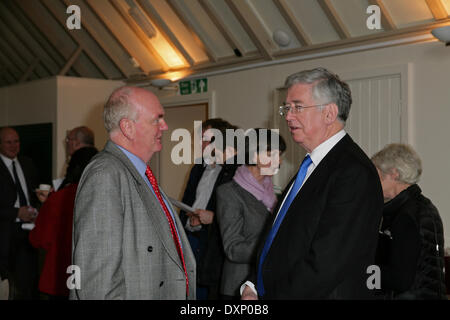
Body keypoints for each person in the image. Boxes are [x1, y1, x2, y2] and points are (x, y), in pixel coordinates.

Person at [241, 67, 384, 299]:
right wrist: (253, 284)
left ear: (329, 113)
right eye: (287, 108)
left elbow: (326, 263)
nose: (288, 115)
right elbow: (279, 238)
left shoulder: (352, 172)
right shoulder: (311, 166)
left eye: (297, 107)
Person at [70, 86, 196, 300]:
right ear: (128, 128)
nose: (164, 126)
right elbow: (98, 285)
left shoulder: (135, 172)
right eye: (157, 119)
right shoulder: (105, 175)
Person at [217, 128, 286, 299]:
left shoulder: (276, 192)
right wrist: (273, 247)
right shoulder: (229, 192)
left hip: (269, 283)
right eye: (271, 155)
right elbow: (233, 248)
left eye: (280, 155)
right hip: (238, 287)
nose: (278, 162)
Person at [372, 143, 447, 299]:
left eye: (376, 175)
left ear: (394, 174)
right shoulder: (425, 207)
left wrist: (360, 270)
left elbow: (400, 279)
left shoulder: (405, 216)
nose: (372, 181)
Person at [179, 119, 240, 299]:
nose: (201, 143)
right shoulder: (198, 167)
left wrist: (213, 218)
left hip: (215, 246)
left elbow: (239, 213)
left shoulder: (236, 171)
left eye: (206, 138)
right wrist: (189, 218)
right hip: (191, 239)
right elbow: (187, 201)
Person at [29, 146, 98, 299]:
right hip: (92, 278)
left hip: (59, 278)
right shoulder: (105, 196)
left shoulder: (59, 198)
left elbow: (39, 239)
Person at [0, 127, 40, 300]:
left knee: (29, 281)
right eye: (8, 142)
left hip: (30, 232)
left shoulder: (27, 163)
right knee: (8, 284)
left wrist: (38, 207)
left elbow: (33, 194)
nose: (13, 145)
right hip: (5, 234)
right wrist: (17, 212)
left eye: (16, 141)